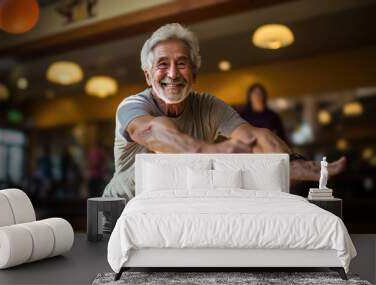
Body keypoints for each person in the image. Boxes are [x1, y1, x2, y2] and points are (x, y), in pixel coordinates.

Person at [102, 23, 346, 201]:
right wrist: (210, 152)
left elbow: (254, 137)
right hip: (119, 209)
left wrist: (289, 163)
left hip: (170, 209)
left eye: (182, 64)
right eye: (163, 64)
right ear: (147, 74)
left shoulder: (209, 106)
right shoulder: (131, 105)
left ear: (194, 73)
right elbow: (153, 130)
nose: (173, 74)